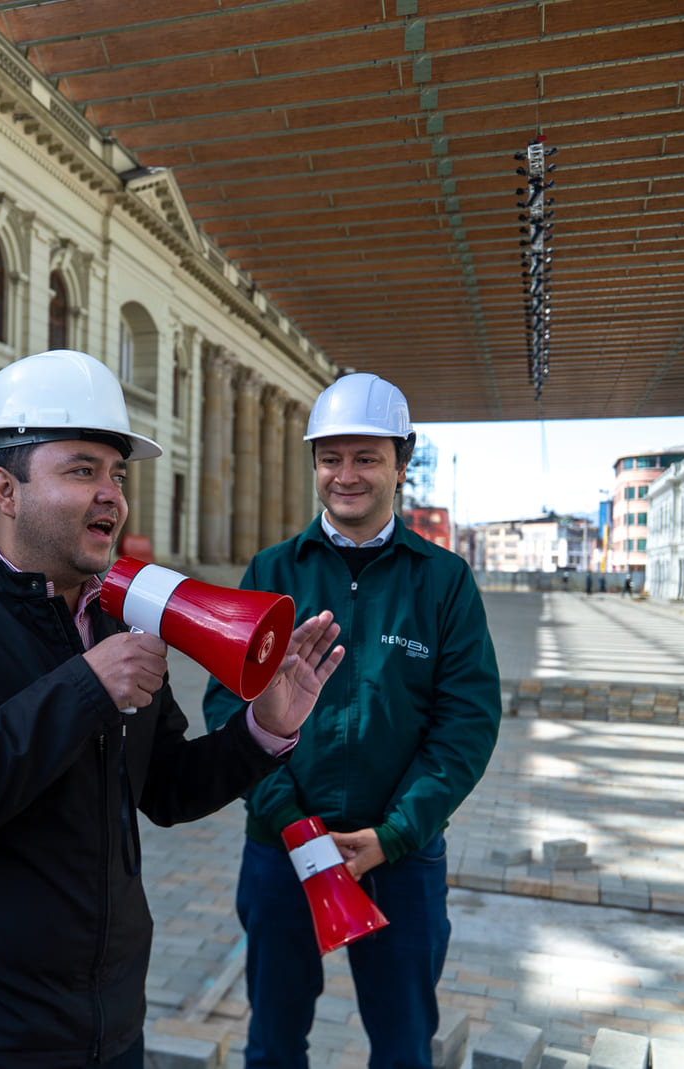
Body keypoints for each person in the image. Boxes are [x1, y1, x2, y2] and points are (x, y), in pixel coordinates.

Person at [0, 348, 345, 1069]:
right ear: (5, 489)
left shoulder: (115, 620)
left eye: (117, 474)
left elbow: (167, 788)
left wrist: (264, 728)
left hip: (110, 1027)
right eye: (83, 470)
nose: (112, 495)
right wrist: (85, 686)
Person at [204, 373, 501, 1069]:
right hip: (283, 852)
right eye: (331, 457)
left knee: (402, 1048)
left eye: (367, 457)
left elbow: (467, 721)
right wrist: (289, 819)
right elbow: (226, 702)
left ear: (402, 464)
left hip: (400, 857)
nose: (346, 475)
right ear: (314, 463)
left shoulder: (442, 581)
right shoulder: (272, 572)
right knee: (273, 1045)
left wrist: (393, 834)